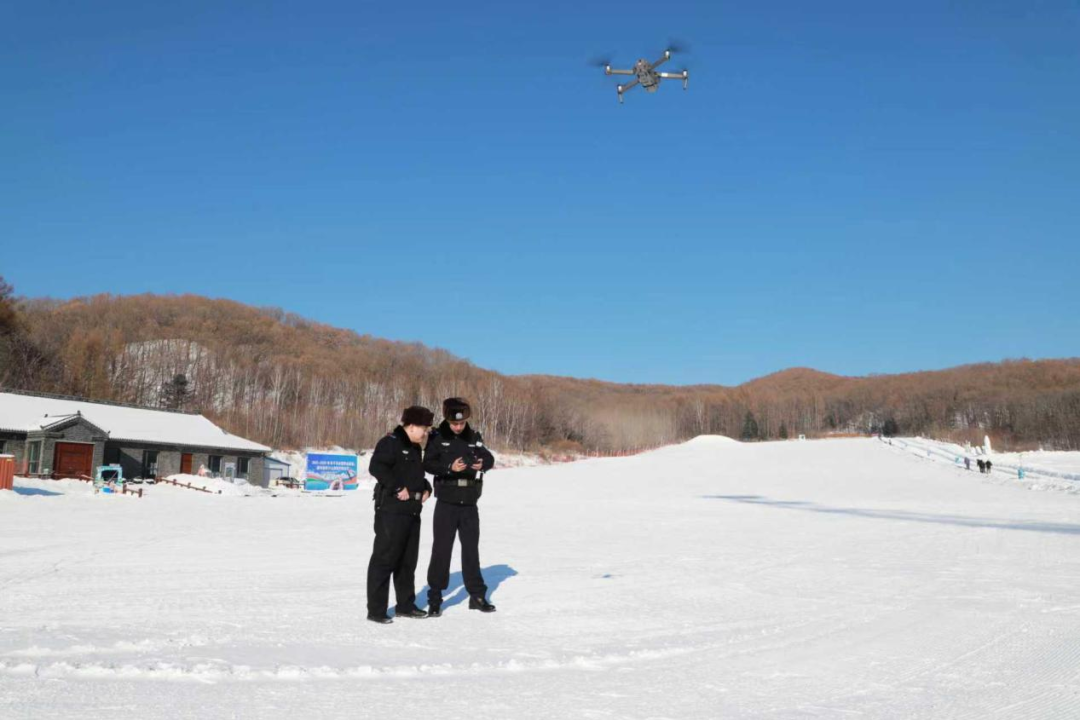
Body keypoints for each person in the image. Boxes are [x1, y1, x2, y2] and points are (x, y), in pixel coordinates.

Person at [423, 397, 497, 616]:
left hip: (469, 503)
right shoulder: (437, 437)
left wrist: (483, 463)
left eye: (461, 423)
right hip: (446, 502)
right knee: (441, 550)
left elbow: (490, 459)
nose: (458, 427)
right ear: (447, 419)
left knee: (471, 551)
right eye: (454, 423)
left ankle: (476, 595)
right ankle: (435, 597)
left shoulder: (474, 437)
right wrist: (449, 467)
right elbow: (428, 463)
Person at [366, 405, 434, 624]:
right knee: (384, 560)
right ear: (412, 426)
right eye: (424, 428)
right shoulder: (390, 443)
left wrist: (426, 488)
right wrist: (396, 487)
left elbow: (414, 476)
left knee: (407, 562)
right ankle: (376, 610)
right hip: (391, 512)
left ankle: (405, 605)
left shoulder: (414, 448)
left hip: (412, 512)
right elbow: (377, 467)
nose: (425, 433)